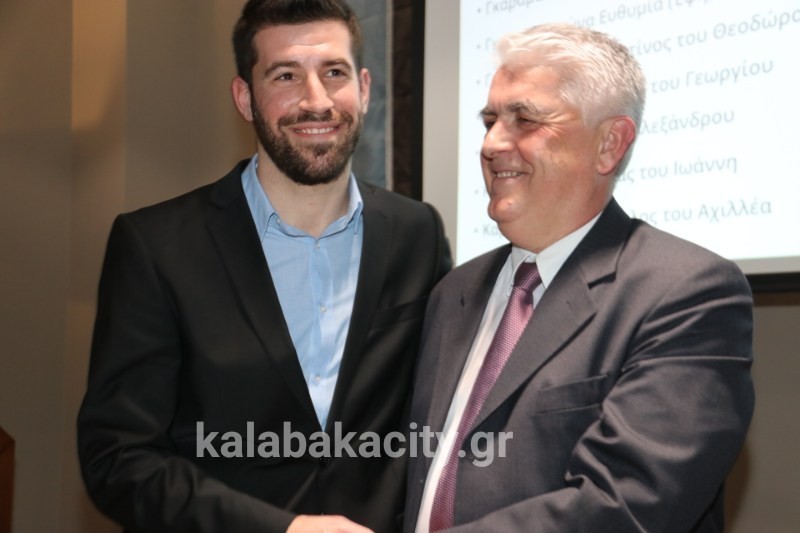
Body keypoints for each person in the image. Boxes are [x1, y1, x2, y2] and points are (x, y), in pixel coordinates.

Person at [77, 1, 450, 532]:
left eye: (334, 72)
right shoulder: (156, 247)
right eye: (285, 76)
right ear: (245, 98)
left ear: (365, 89)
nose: (316, 101)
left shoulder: (418, 234)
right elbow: (118, 458)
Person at [404, 23, 754, 533]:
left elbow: (626, 505)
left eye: (525, 119)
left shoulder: (686, 293)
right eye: (490, 121)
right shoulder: (454, 292)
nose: (492, 143)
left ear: (610, 144)